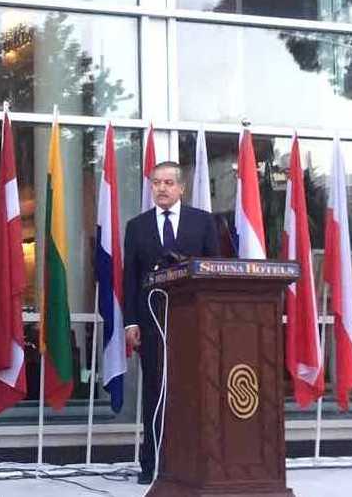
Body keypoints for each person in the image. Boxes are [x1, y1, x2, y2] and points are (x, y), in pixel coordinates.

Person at [123, 161, 219, 485]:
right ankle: (152, 464)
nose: (161, 188)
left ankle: (192, 462)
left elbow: (214, 272)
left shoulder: (203, 222)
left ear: (181, 188)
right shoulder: (137, 227)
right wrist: (130, 322)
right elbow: (130, 278)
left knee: (193, 393)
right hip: (152, 324)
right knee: (155, 392)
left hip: (193, 326)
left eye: (168, 183)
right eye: (156, 183)